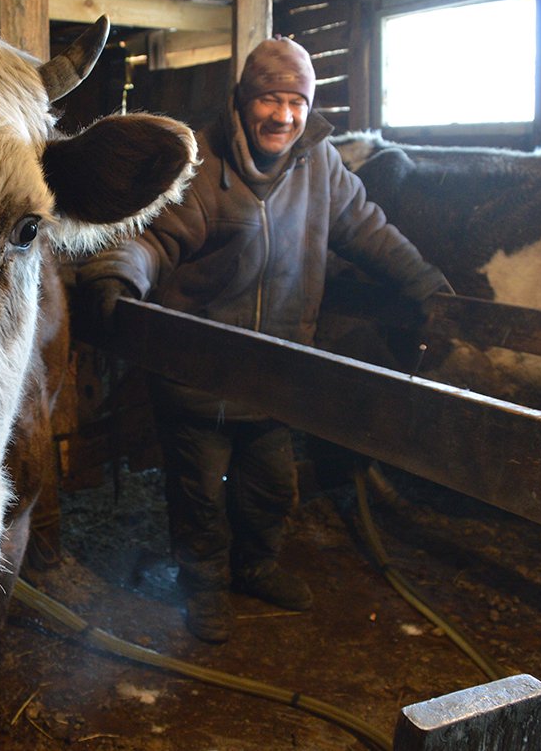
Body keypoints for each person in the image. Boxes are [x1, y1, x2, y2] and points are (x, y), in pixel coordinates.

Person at [76, 35, 451, 643]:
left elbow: (368, 230)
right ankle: (204, 587)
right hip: (198, 370)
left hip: (277, 375)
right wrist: (120, 273)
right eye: (271, 100)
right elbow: (153, 240)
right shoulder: (201, 164)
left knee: (271, 488)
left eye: (296, 102)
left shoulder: (320, 165)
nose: (284, 115)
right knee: (199, 493)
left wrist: (428, 285)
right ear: (244, 102)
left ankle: (254, 567)